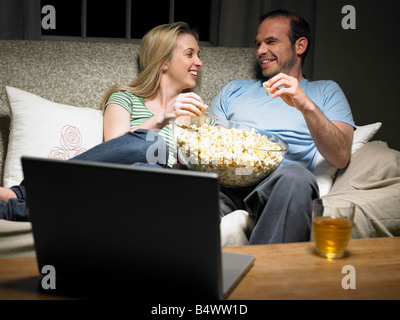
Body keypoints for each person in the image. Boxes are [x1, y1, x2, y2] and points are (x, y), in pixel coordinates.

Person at [0, 22, 207, 221]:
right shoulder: (125, 98)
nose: (199, 62)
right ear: (163, 61)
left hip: (157, 194)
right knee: (149, 145)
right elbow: (117, 152)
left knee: (153, 172)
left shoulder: (203, 120)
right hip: (113, 182)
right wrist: (161, 118)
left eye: (198, 55)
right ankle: (23, 197)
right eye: (190, 54)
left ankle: (19, 200)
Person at [211, 9, 355, 244]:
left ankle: (267, 277)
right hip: (228, 183)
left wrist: (305, 105)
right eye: (258, 43)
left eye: (271, 42)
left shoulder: (325, 91)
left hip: (280, 184)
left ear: (300, 46)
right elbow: (212, 144)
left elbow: (340, 156)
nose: (260, 51)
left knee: (297, 178)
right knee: (184, 187)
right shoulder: (234, 89)